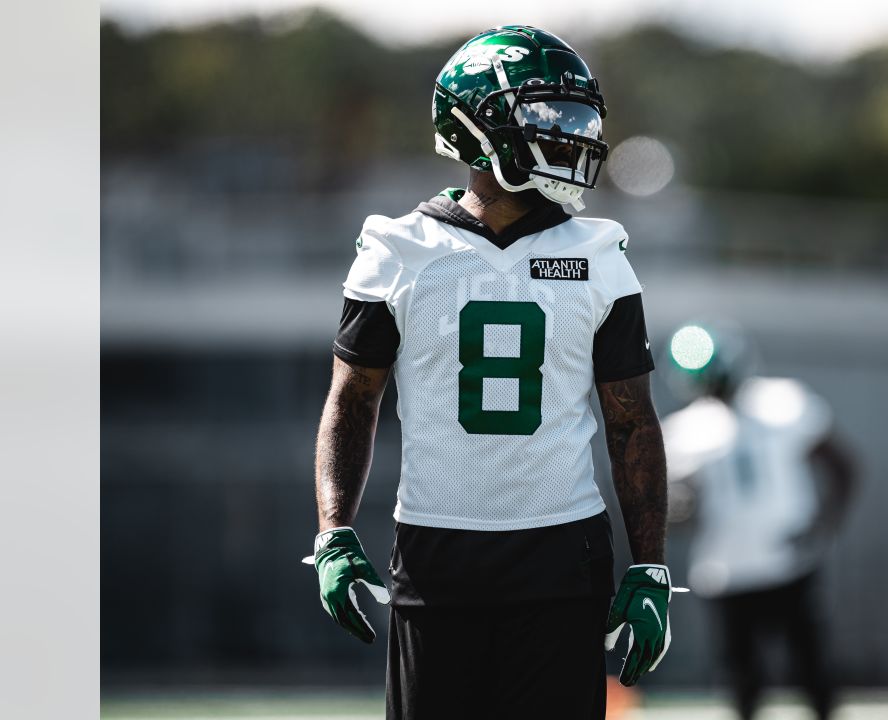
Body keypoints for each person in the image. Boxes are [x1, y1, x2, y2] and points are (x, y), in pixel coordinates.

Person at [303, 26, 675, 720]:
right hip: (436, 546)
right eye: (550, 119)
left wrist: (650, 562)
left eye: (578, 118)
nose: (573, 137)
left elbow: (632, 419)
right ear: (478, 128)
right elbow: (352, 401)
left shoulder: (598, 252)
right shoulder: (399, 249)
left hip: (563, 548)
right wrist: (333, 530)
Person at [660, 322, 857, 720]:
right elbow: (673, 513)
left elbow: (842, 465)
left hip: (789, 561)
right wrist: (678, 511)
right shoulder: (683, 432)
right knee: (743, 679)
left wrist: (824, 525)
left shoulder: (784, 402)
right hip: (727, 570)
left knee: (813, 669)